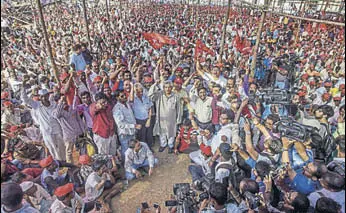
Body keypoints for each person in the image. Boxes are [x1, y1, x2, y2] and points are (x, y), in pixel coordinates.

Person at [149, 80, 182, 153]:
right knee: (162, 132)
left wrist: (178, 119)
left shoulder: (176, 96)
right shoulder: (159, 94)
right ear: (163, 88)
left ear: (172, 87)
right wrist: (155, 84)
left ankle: (170, 145)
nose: (167, 89)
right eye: (166, 87)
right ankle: (163, 145)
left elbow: (179, 108)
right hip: (161, 118)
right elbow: (151, 96)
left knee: (171, 132)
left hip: (172, 118)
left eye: (169, 87)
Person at [113, 89, 140, 161]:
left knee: (133, 149)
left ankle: (134, 165)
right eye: (122, 96)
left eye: (125, 95)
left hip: (132, 132)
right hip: (124, 134)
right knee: (126, 151)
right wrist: (133, 126)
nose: (125, 96)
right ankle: (126, 167)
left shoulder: (127, 104)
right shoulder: (117, 108)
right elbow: (120, 124)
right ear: (117, 98)